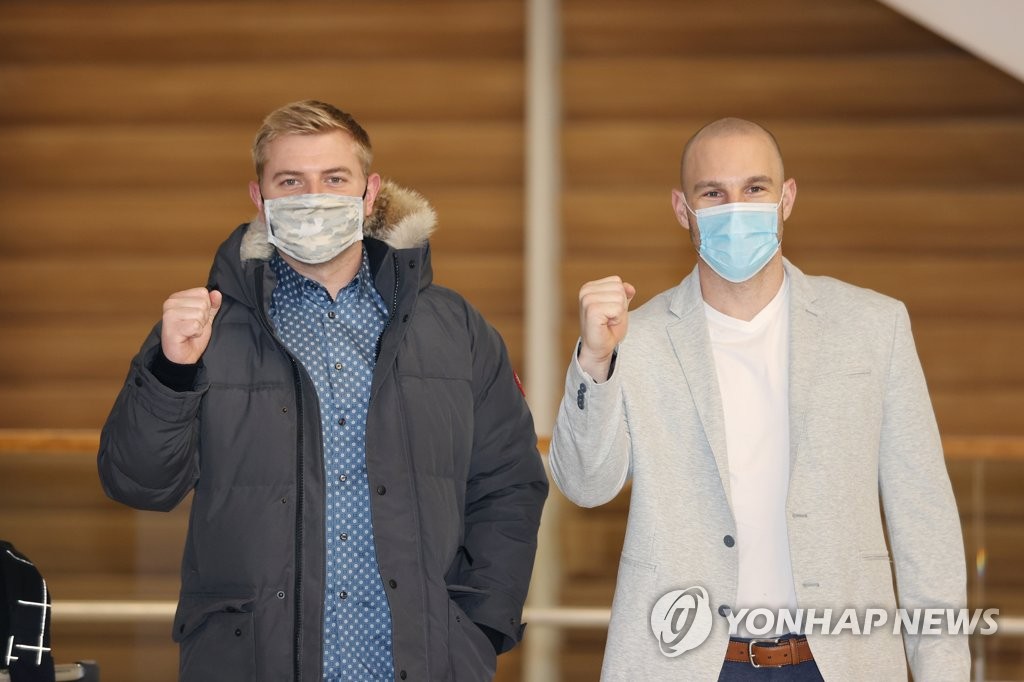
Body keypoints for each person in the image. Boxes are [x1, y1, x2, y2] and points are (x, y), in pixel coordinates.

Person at [98, 100, 548, 681]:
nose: (313, 197)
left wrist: (478, 627)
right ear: (259, 198)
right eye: (291, 181)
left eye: (334, 179)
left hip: (423, 663)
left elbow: (509, 484)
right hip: (253, 663)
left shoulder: (454, 329)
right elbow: (138, 482)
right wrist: (172, 371)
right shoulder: (203, 329)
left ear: (370, 193)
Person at [549, 118, 969, 680]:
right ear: (682, 209)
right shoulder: (636, 339)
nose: (736, 208)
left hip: (840, 660)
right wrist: (595, 362)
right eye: (713, 193)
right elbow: (585, 485)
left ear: (786, 198)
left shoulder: (873, 326)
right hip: (688, 662)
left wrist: (944, 669)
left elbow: (924, 519)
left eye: (754, 188)